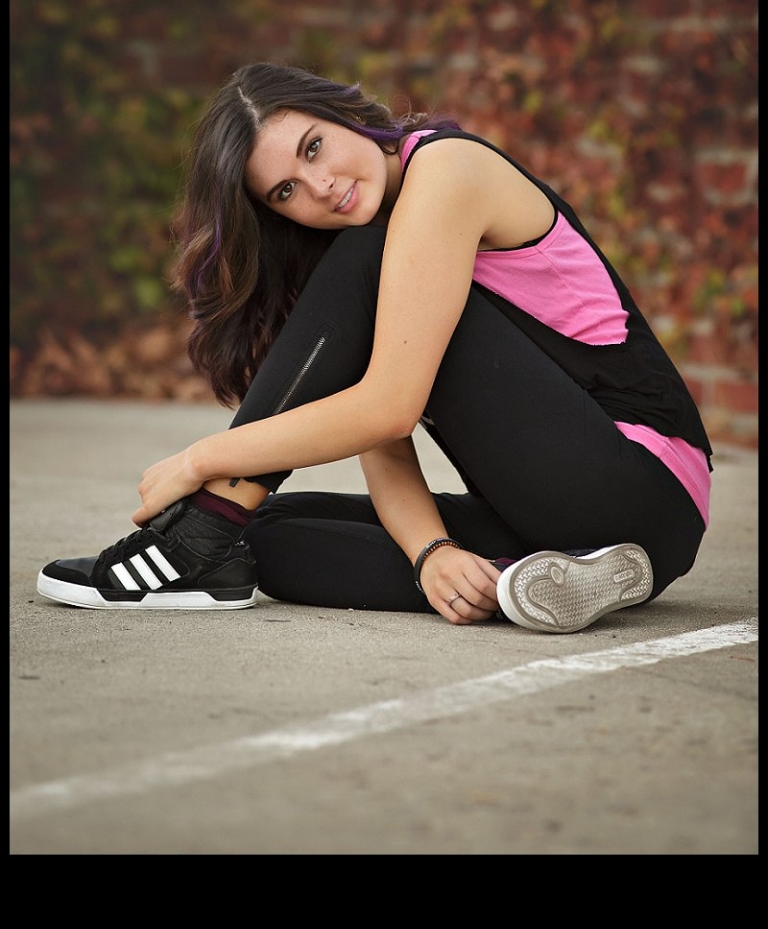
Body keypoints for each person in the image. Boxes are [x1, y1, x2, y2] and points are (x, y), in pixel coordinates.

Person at [37, 62, 712, 633]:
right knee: (262, 536)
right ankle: (519, 582)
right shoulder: (375, 240)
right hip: (562, 519)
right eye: (286, 192)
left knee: (363, 261)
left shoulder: (446, 170)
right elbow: (383, 441)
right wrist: (431, 553)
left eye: (312, 148)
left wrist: (200, 463)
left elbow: (389, 407)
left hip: (640, 481)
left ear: (343, 112)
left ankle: (202, 526)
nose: (321, 186)